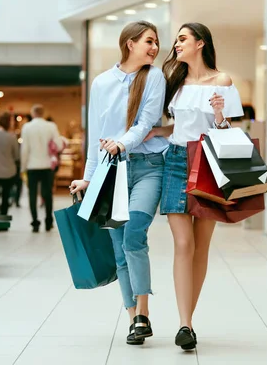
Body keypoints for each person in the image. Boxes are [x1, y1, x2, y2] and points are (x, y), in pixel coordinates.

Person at [144, 22, 244, 350]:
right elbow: (177, 125)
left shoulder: (223, 81)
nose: (176, 44)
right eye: (177, 40)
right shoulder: (174, 81)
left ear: (200, 43)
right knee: (183, 244)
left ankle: (187, 322)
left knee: (201, 246)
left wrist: (218, 114)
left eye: (183, 39)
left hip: (210, 161)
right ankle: (184, 323)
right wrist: (158, 132)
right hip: (175, 160)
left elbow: (228, 130)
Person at [69, 21, 167, 346]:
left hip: (147, 166)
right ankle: (133, 318)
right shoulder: (100, 83)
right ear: (130, 43)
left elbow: (145, 123)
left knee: (134, 233)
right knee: (118, 246)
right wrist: (86, 177)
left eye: (156, 42)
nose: (155, 48)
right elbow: (95, 134)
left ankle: (144, 311)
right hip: (110, 170)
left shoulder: (154, 77)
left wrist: (122, 143)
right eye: (149, 41)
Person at [20, 105, 64, 232]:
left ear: (33, 113)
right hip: (47, 165)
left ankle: (35, 222)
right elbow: (59, 144)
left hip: (32, 166)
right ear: (43, 113)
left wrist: (23, 167)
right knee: (48, 193)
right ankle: (48, 221)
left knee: (32, 194)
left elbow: (25, 150)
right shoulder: (51, 126)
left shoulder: (27, 127)